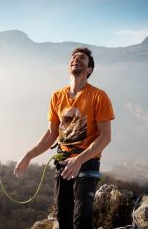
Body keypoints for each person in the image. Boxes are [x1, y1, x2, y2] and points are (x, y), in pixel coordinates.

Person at [14, 46, 115, 229]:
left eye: (82, 58)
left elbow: (105, 137)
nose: (76, 59)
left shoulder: (98, 96)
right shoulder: (57, 96)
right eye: (74, 57)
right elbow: (51, 134)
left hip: (87, 161)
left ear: (89, 69)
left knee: (81, 220)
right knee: (64, 218)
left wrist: (79, 160)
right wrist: (28, 156)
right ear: (69, 67)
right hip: (62, 162)